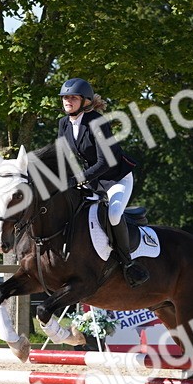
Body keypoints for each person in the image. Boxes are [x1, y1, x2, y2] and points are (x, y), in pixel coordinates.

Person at [57, 78, 149, 287]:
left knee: (114, 214)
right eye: (65, 97)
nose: (67, 101)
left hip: (116, 178)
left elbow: (104, 162)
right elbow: (62, 155)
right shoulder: (63, 123)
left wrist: (77, 179)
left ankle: (128, 263)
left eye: (72, 97)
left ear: (85, 101)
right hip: (92, 180)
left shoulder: (98, 122)